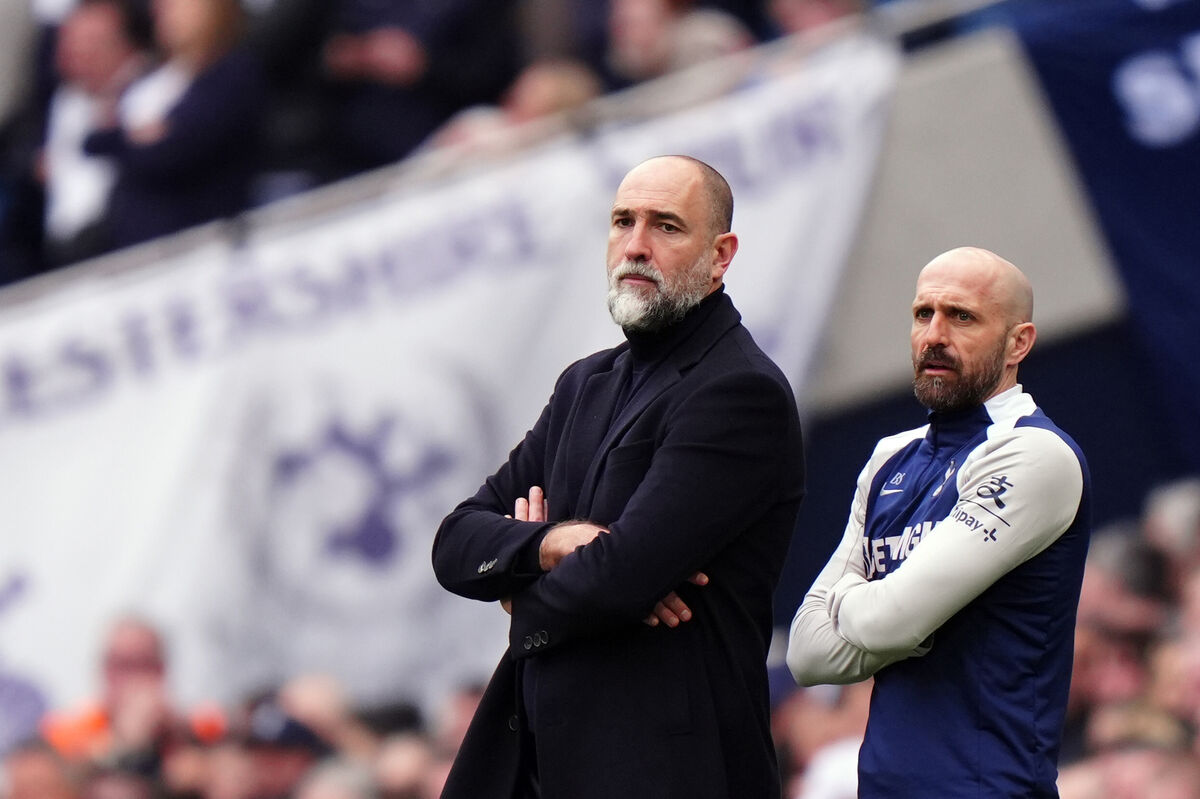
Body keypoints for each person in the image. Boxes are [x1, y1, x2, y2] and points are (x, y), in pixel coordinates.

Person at [432, 154, 805, 798]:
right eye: (622, 222)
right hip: (543, 764)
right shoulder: (585, 383)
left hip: (664, 774)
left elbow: (617, 579)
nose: (635, 246)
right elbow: (455, 543)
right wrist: (553, 546)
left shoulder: (739, 391)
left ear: (721, 255)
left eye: (665, 226)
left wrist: (523, 591)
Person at [786, 246, 1092, 797]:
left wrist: (866, 604)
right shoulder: (889, 458)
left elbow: (888, 625)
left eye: (962, 316)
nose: (934, 335)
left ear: (1017, 343)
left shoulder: (1033, 455)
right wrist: (889, 612)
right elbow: (808, 654)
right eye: (923, 314)